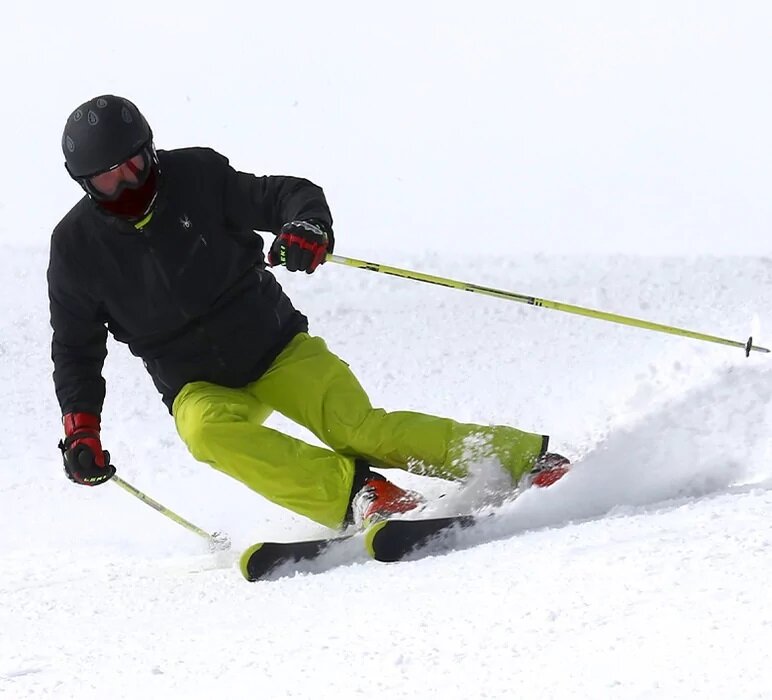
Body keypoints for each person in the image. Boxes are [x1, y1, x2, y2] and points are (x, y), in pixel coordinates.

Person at [48, 94, 570, 532]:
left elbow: (285, 195)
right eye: (107, 180)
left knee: (359, 429)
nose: (126, 186)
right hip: (196, 383)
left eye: (134, 167)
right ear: (85, 184)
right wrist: (82, 430)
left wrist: (307, 226)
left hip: (275, 347)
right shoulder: (75, 249)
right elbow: (76, 348)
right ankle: (361, 494)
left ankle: (522, 459)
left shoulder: (197, 175)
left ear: (150, 151)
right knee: (204, 433)